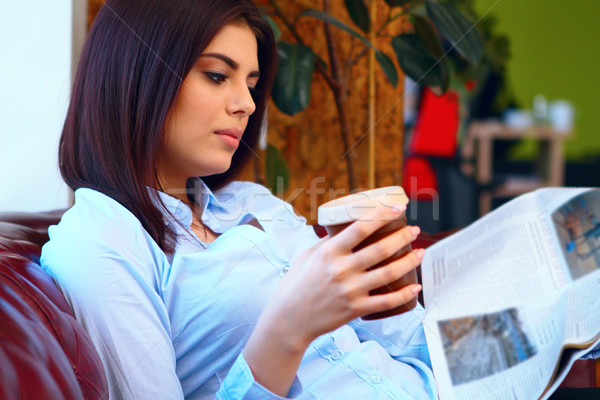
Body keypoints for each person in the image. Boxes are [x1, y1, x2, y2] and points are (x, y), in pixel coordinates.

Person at [41, 0, 437, 398]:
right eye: (216, 76)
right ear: (136, 76)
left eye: (250, 84)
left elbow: (401, 344)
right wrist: (287, 329)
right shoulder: (99, 239)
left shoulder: (253, 203)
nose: (247, 105)